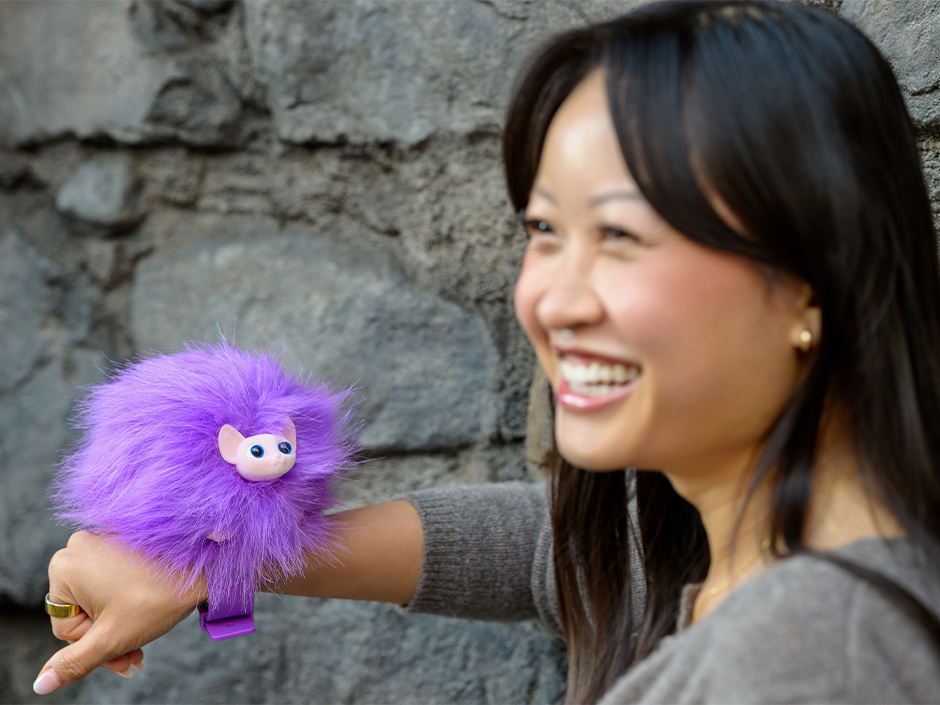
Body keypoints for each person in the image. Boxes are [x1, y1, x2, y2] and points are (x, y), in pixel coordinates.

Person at [34, 1, 940, 702]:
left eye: (623, 234)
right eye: (545, 228)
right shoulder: (722, 550)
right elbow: (564, 551)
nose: (552, 296)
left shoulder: (817, 646)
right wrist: (209, 557)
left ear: (809, 279)